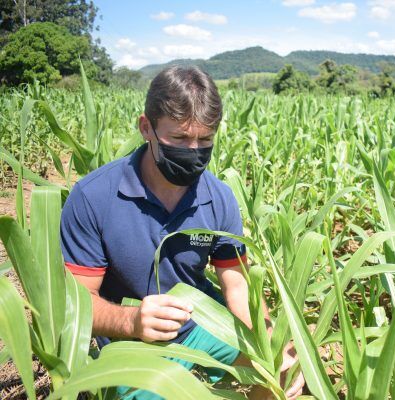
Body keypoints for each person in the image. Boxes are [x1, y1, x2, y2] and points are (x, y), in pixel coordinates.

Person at [60, 66, 305, 399]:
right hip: (134, 344)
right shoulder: (94, 197)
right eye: (179, 139)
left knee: (281, 369)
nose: (193, 151)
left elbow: (238, 287)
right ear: (146, 127)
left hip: (202, 325)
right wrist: (132, 322)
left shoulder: (218, 197)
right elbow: (75, 303)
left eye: (205, 140)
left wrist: (273, 344)